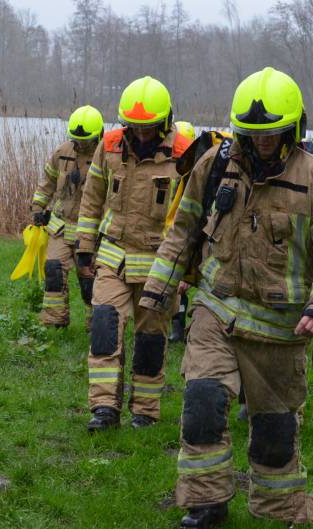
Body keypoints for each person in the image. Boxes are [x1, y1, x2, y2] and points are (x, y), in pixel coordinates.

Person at [139, 67, 313, 527]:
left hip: (279, 330)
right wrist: (158, 288)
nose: (260, 142)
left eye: (271, 134)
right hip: (215, 310)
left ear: (293, 129)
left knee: (274, 435)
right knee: (201, 404)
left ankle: (277, 509)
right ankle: (207, 501)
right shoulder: (216, 164)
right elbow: (184, 228)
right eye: (252, 134)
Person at [76, 77, 192, 431]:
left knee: (150, 340)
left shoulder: (186, 153)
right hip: (113, 255)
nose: (141, 135)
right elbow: (92, 198)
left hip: (161, 263)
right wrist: (84, 249)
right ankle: (103, 409)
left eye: (149, 128)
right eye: (134, 127)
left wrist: (187, 270)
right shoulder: (109, 146)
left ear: (165, 122)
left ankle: (145, 412)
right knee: (104, 328)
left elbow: (194, 214)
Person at [31, 105, 104, 329]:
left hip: (91, 230)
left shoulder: (107, 156)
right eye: (77, 139)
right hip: (61, 226)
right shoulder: (63, 152)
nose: (81, 144)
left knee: (89, 279)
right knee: (53, 270)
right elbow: (48, 181)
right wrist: (37, 207)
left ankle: (96, 324)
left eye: (86, 140)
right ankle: (54, 322)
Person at [169, 121, 196, 343]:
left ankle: (178, 328)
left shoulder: (196, 178)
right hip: (164, 236)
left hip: (182, 239)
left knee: (180, 286)